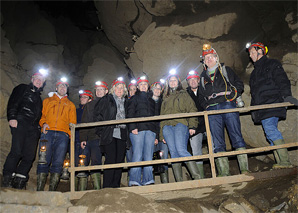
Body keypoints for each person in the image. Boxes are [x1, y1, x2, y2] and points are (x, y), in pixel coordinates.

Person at [198, 44, 249, 176]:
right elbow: (201, 96)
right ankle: (224, 172)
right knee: (217, 140)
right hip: (212, 109)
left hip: (227, 104)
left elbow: (238, 83)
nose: (208, 60)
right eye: (206, 58)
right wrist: (206, 106)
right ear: (203, 62)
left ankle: (244, 169)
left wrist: (233, 95)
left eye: (211, 57)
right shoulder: (203, 77)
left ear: (216, 58)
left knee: (236, 135)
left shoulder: (225, 70)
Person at [247, 42, 297, 169]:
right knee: (269, 134)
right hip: (262, 107)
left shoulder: (272, 64)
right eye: (250, 53)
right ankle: (280, 162)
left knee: (270, 129)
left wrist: (287, 96)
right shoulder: (254, 73)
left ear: (261, 52)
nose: (250, 55)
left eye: (253, 52)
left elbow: (282, 80)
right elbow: (255, 93)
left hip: (272, 102)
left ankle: (285, 162)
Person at [2, 71, 46, 189]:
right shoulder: (22, 88)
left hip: (33, 128)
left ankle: (20, 180)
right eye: (37, 78)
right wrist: (12, 117)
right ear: (32, 79)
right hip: (21, 122)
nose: (38, 81)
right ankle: (7, 178)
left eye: (41, 80)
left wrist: (39, 127)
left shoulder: (39, 99)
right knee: (16, 151)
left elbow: (39, 115)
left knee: (29, 156)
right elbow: (13, 102)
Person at [160, 70, 201, 182]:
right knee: (173, 152)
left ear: (178, 83)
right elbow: (161, 115)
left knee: (181, 149)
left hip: (180, 123)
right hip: (167, 126)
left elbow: (192, 109)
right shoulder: (165, 97)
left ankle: (197, 176)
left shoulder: (184, 94)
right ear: (168, 83)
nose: (172, 82)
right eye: (171, 81)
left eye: (174, 81)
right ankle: (179, 181)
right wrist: (161, 134)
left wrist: (192, 126)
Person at [36, 77, 76, 191]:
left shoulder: (71, 105)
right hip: (47, 133)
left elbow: (72, 123)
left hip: (63, 135)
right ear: (56, 87)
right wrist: (43, 124)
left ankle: (52, 190)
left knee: (58, 162)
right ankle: (39, 190)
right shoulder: (47, 101)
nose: (63, 88)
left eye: (65, 86)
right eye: (61, 86)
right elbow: (42, 116)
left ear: (67, 90)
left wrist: (70, 136)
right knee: (43, 159)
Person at [94, 77, 128, 188]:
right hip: (110, 132)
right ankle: (107, 187)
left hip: (122, 133)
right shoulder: (107, 99)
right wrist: (101, 131)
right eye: (117, 88)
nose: (120, 90)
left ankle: (116, 186)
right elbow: (98, 115)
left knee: (119, 160)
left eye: (122, 88)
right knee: (111, 159)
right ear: (113, 89)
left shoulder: (126, 101)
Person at [127, 76, 158, 186]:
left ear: (148, 86)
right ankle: (134, 180)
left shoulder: (152, 101)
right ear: (138, 87)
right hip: (138, 130)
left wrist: (156, 134)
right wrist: (132, 127)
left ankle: (148, 179)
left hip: (150, 130)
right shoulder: (134, 98)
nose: (143, 86)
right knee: (138, 154)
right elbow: (130, 113)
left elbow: (155, 118)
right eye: (141, 84)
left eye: (145, 84)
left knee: (148, 155)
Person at [79, 81, 108, 190]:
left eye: (102, 89)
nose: (99, 91)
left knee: (101, 161)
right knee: (90, 161)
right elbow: (85, 121)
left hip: (106, 137)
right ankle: (90, 189)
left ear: (106, 91)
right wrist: (83, 138)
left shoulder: (110, 103)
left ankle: (101, 188)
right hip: (93, 136)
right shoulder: (90, 105)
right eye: (97, 89)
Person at [186, 70, 206, 179]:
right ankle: (201, 177)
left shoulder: (205, 91)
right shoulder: (186, 94)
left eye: (195, 79)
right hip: (195, 127)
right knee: (196, 151)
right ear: (188, 82)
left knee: (215, 147)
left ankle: (219, 172)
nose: (193, 82)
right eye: (190, 80)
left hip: (207, 123)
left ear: (198, 81)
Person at [72, 89, 93, 190]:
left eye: (85, 97)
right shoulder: (75, 111)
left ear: (90, 100)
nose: (82, 98)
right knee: (74, 163)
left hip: (86, 139)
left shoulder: (91, 111)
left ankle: (82, 191)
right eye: (81, 97)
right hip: (75, 138)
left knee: (83, 163)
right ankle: (74, 189)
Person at [151, 81, 169, 183]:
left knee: (164, 157)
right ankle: (152, 182)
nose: (157, 91)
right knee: (152, 157)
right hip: (152, 133)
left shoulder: (163, 102)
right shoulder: (148, 103)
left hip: (163, 133)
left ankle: (165, 182)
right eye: (155, 88)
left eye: (159, 89)